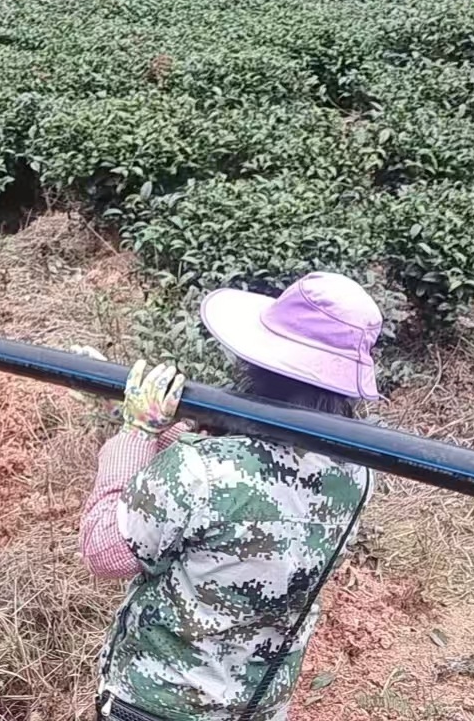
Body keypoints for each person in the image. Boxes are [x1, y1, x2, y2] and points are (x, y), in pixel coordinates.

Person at [79, 272, 379, 721]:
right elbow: (234, 478)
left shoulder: (201, 471)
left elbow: (104, 552)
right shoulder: (357, 473)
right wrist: (133, 412)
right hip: (256, 706)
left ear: (257, 363)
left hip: (162, 702)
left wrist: (136, 433)